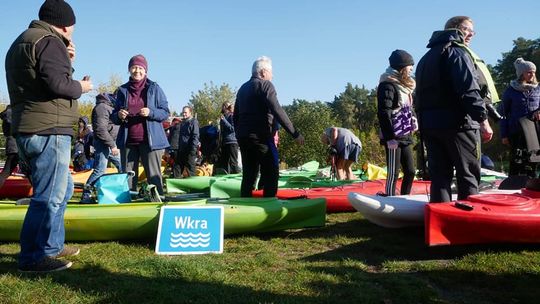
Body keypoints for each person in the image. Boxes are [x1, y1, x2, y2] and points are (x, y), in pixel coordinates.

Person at [5, 0, 93, 272]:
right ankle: (32, 257)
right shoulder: (49, 40)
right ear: (66, 24)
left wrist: (66, 60)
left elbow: (40, 81)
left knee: (63, 188)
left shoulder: (22, 41)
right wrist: (83, 86)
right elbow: (58, 84)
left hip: (28, 126)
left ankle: (52, 246)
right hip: (49, 129)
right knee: (48, 195)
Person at [415, 16, 493, 203]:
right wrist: (482, 119)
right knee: (468, 175)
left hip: (431, 126)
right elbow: (468, 89)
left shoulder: (425, 58)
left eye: (473, 31)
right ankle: (470, 226)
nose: (471, 34)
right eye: (467, 29)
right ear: (455, 29)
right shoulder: (458, 53)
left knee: (440, 177)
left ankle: (440, 224)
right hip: (459, 125)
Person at [234, 56, 305, 197]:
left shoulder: (242, 88)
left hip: (244, 137)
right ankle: (270, 205)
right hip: (262, 137)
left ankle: (245, 204)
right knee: (272, 171)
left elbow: (236, 116)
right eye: (271, 72)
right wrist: (295, 134)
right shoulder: (266, 85)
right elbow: (277, 110)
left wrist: (239, 134)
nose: (273, 76)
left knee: (249, 174)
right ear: (263, 72)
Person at [114, 54, 170, 195]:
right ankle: (127, 206)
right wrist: (119, 115)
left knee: (153, 177)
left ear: (145, 71)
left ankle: (157, 202)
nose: (137, 71)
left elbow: (165, 112)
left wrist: (151, 112)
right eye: (134, 67)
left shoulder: (154, 88)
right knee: (128, 177)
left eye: (140, 68)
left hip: (151, 142)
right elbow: (113, 117)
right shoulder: (122, 90)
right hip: (128, 142)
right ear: (129, 70)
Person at [377, 50, 417, 196]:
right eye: (410, 67)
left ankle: (405, 198)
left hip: (405, 133)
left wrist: (413, 118)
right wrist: (389, 138)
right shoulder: (387, 85)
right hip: (393, 136)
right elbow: (383, 112)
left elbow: (407, 107)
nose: (412, 69)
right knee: (393, 172)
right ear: (402, 67)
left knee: (411, 171)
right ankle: (389, 198)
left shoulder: (405, 86)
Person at [499, 58, 540, 177]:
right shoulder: (510, 91)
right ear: (521, 73)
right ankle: (513, 188)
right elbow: (503, 114)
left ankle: (532, 188)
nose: (532, 74)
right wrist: (504, 135)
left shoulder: (538, 89)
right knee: (517, 161)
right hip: (516, 132)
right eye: (529, 72)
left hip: (534, 132)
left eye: (533, 72)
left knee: (533, 162)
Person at [80, 93, 122, 202]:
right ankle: (86, 195)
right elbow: (100, 130)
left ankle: (117, 192)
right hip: (104, 143)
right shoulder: (102, 108)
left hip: (110, 142)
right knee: (100, 170)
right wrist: (112, 145)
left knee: (122, 166)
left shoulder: (109, 107)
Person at [170, 106, 199, 178]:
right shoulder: (182, 122)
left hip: (190, 150)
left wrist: (193, 149)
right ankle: (176, 185)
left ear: (190, 113)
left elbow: (195, 136)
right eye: (183, 112)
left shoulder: (194, 122)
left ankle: (193, 187)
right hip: (181, 149)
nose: (184, 114)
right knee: (177, 167)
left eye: (185, 112)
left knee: (190, 170)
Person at [216, 102, 241, 175]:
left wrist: (224, 121)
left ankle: (236, 176)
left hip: (232, 141)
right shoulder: (223, 117)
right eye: (223, 106)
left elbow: (233, 128)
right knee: (224, 161)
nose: (224, 107)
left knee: (233, 161)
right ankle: (225, 177)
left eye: (225, 106)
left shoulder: (232, 116)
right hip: (224, 142)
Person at [0, 105, 19, 188]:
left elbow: (5, 132)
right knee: (6, 172)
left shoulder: (7, 114)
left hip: (12, 144)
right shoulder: (16, 112)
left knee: (6, 172)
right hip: (18, 144)